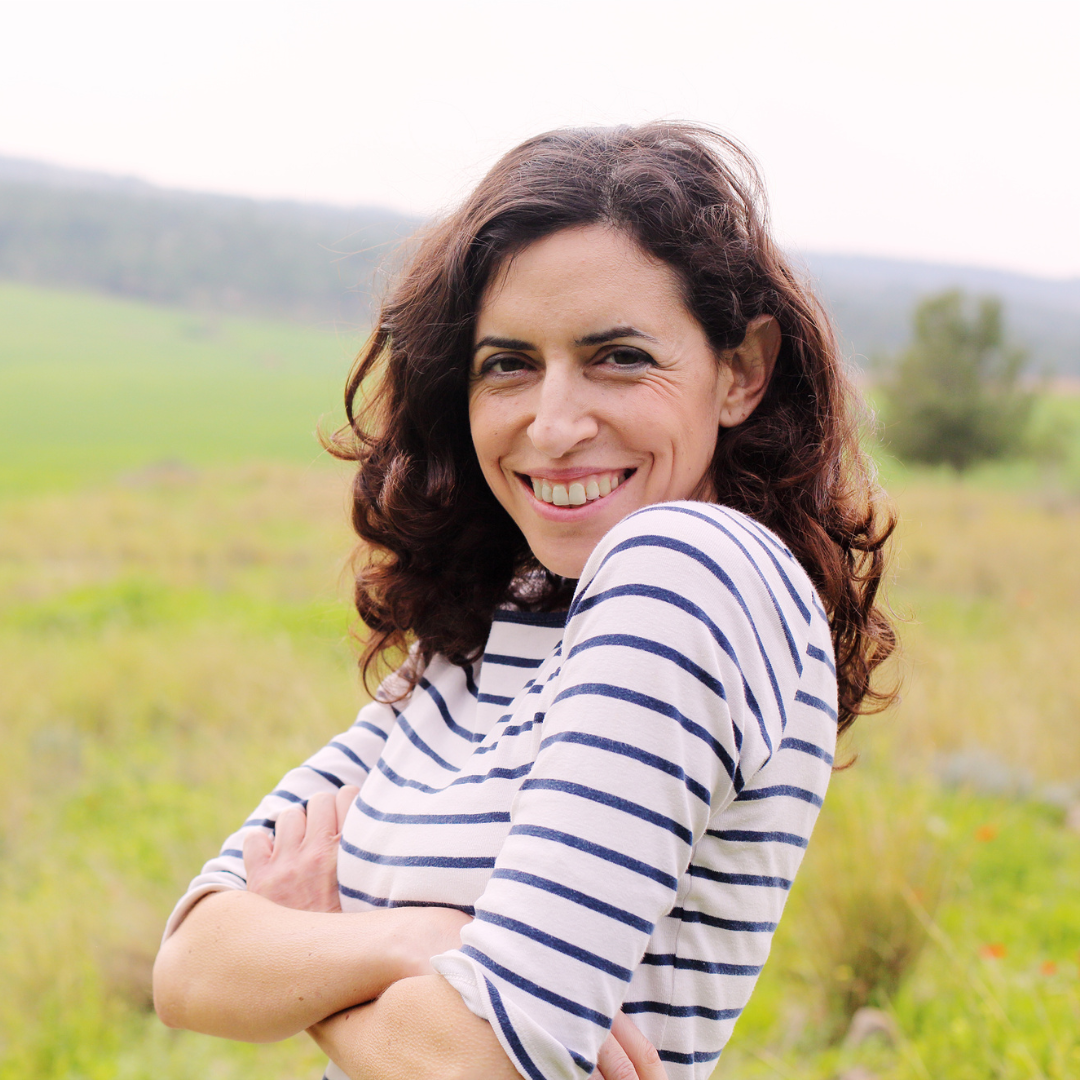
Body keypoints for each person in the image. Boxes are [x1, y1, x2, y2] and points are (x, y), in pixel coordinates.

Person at [152, 123, 896, 1080]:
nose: (552, 426)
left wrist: (312, 938)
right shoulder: (501, 629)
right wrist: (410, 943)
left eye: (618, 356)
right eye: (508, 364)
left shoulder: (691, 569)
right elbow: (190, 966)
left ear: (741, 371)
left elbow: (476, 1061)